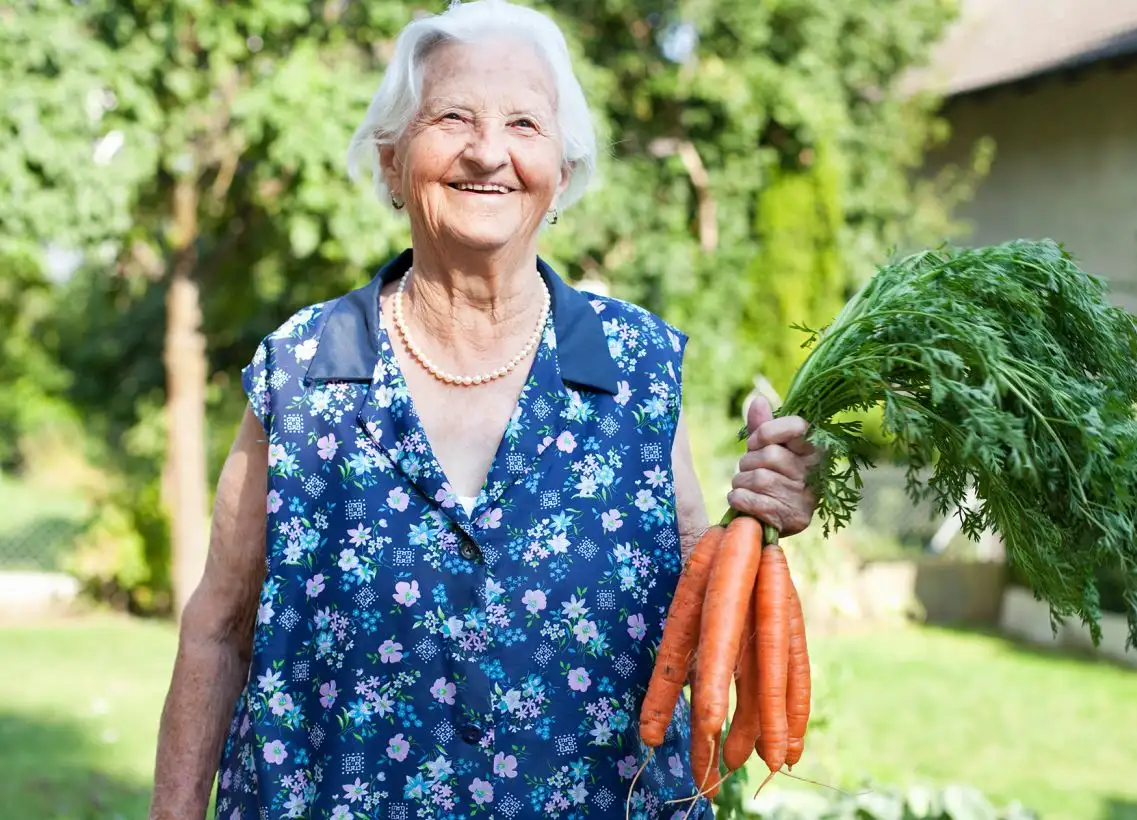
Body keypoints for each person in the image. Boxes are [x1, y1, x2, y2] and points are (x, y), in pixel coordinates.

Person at [148, 2, 819, 818]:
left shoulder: (636, 371)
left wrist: (762, 522)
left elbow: (699, 621)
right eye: (453, 116)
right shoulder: (303, 372)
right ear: (393, 162)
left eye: (525, 124)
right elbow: (218, 628)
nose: (488, 151)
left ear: (561, 175)